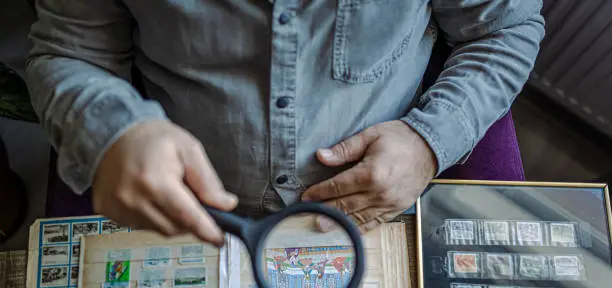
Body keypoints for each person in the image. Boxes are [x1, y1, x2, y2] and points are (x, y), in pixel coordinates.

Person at [25, 0, 545, 247]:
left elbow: (507, 29)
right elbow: (69, 51)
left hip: (381, 209)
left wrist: (430, 140)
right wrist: (115, 131)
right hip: (179, 210)